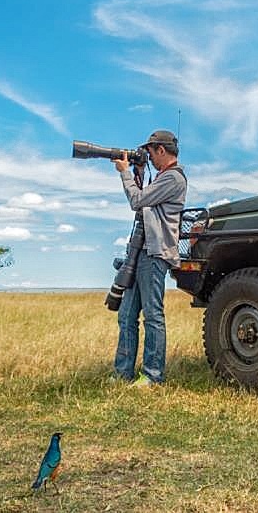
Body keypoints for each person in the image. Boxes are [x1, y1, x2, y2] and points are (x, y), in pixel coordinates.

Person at [110, 129, 187, 387]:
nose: (150, 157)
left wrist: (124, 172)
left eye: (152, 152)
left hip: (155, 254)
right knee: (126, 316)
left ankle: (153, 376)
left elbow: (137, 201)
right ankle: (123, 373)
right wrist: (138, 173)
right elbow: (145, 204)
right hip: (141, 251)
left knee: (153, 315)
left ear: (161, 150)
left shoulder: (173, 178)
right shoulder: (162, 178)